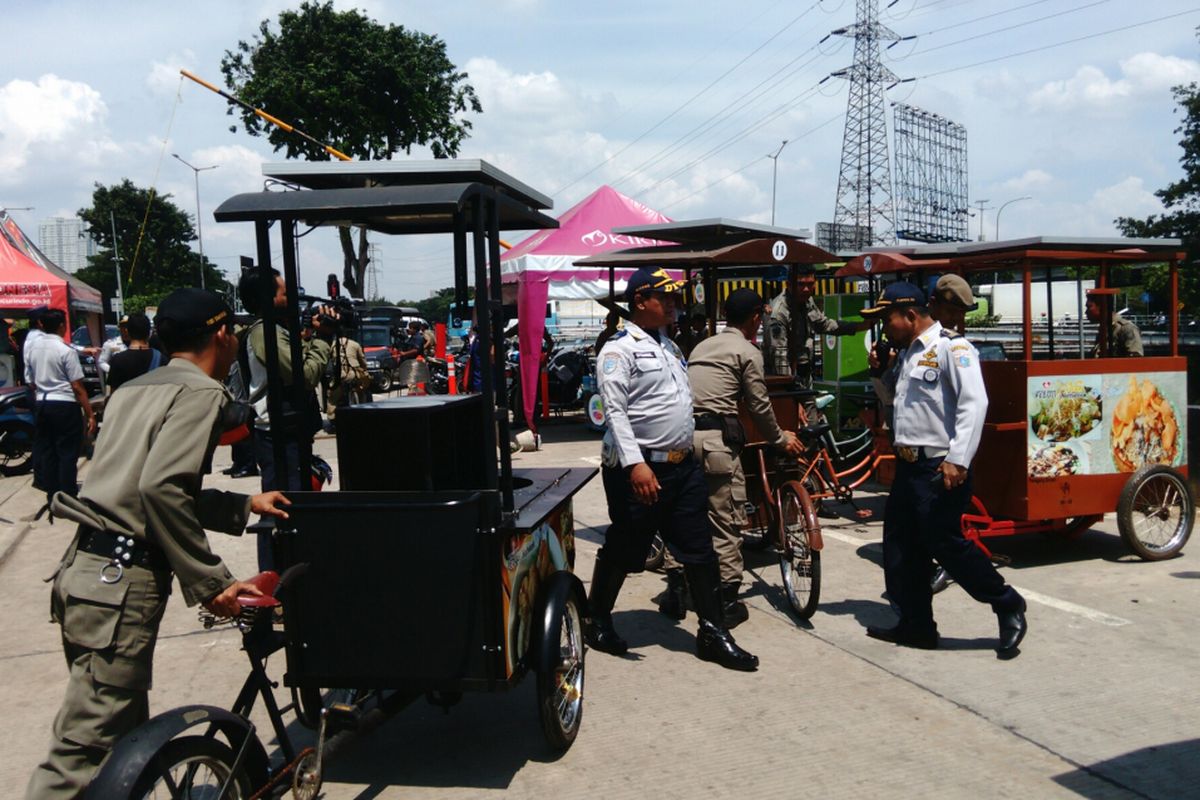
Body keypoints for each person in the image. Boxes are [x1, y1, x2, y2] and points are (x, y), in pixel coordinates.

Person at [25, 288, 291, 799]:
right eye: (231, 330)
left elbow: (134, 484)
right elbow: (161, 488)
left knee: (120, 746)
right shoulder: (200, 393)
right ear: (221, 335)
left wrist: (242, 507)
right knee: (81, 755)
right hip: (121, 588)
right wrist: (211, 581)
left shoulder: (132, 390)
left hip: (84, 577)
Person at [590, 266, 758, 671]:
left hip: (682, 469)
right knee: (627, 547)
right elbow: (614, 412)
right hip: (641, 470)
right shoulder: (618, 350)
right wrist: (636, 466)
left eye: (675, 298)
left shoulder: (670, 346)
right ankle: (596, 621)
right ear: (639, 302)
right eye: (664, 297)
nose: (673, 304)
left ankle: (713, 632)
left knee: (700, 550)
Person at [860, 282, 1027, 658]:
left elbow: (975, 402)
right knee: (902, 551)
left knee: (946, 546)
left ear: (911, 315)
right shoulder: (907, 355)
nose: (885, 327)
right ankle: (917, 625)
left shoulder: (953, 348)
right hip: (908, 467)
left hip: (938, 466)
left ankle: (1006, 601)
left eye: (888, 319)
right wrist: (879, 372)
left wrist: (958, 460)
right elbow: (894, 405)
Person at [660, 288, 804, 625]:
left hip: (681, 440)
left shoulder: (701, 346)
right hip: (716, 447)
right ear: (755, 317)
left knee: (684, 515)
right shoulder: (746, 351)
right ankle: (725, 601)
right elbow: (758, 405)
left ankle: (676, 591)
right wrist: (781, 438)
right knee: (725, 521)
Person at [237, 269, 334, 568]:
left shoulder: (276, 329)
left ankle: (290, 575)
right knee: (279, 510)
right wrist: (322, 339)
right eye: (284, 293)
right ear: (268, 298)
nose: (290, 298)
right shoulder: (263, 332)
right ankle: (275, 581)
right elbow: (303, 375)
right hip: (276, 436)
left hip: (287, 432)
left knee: (292, 507)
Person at [762, 266, 870, 418]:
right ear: (789, 284)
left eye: (810, 284)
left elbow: (823, 324)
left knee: (811, 432)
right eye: (800, 284)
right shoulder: (779, 312)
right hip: (786, 386)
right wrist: (792, 398)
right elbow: (780, 359)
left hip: (804, 379)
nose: (806, 289)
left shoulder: (807, 301)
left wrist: (859, 326)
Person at [24, 308, 97, 505]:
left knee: (48, 450)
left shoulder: (32, 349)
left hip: (42, 401)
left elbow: (29, 379)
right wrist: (90, 414)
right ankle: (68, 493)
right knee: (67, 451)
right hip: (64, 404)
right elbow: (77, 386)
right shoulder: (65, 350)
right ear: (62, 326)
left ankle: (52, 493)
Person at [105, 313, 163, 392]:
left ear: (128, 332)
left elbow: (114, 393)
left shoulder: (118, 360)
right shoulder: (161, 359)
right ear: (149, 332)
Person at [1085, 290, 1143, 357]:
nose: (1086, 312)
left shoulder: (1126, 328)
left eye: (1089, 307)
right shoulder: (1104, 330)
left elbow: (1135, 361)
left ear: (1102, 306)